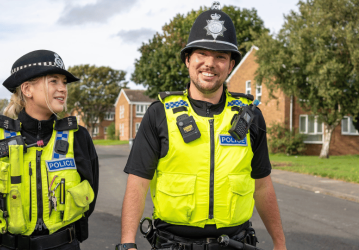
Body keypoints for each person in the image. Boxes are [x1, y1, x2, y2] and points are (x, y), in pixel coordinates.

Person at [117, 3, 287, 250]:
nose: (210, 63)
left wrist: (280, 243)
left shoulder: (251, 117)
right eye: (202, 54)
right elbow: (138, 182)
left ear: (230, 66)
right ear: (188, 60)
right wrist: (127, 242)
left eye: (220, 57)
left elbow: (262, 184)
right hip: (173, 244)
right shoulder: (159, 113)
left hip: (235, 244)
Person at [0, 50, 99, 250]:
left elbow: (91, 192)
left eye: (64, 82)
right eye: (54, 81)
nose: (63, 88)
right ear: (27, 89)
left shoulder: (79, 137)